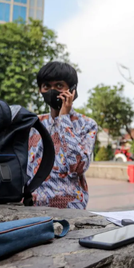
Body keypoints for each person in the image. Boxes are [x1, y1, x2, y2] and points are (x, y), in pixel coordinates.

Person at [28, 62, 98, 209]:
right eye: (46, 86)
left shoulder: (87, 124)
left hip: (70, 207)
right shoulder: (33, 124)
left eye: (59, 85)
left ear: (72, 90)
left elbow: (77, 167)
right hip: (33, 206)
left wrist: (64, 119)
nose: (52, 91)